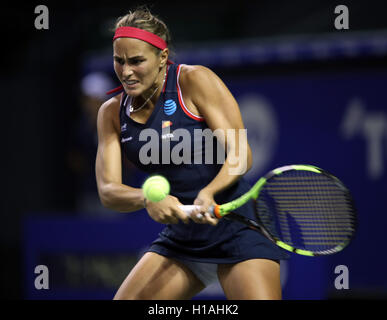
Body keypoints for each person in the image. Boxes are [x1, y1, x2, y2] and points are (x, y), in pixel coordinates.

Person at [96, 7, 288, 300]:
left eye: (137, 61)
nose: (126, 71)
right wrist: (147, 197)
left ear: (162, 57)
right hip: (181, 238)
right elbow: (108, 191)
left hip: (236, 228)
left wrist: (208, 193)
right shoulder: (111, 112)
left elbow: (240, 154)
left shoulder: (195, 81)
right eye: (118, 61)